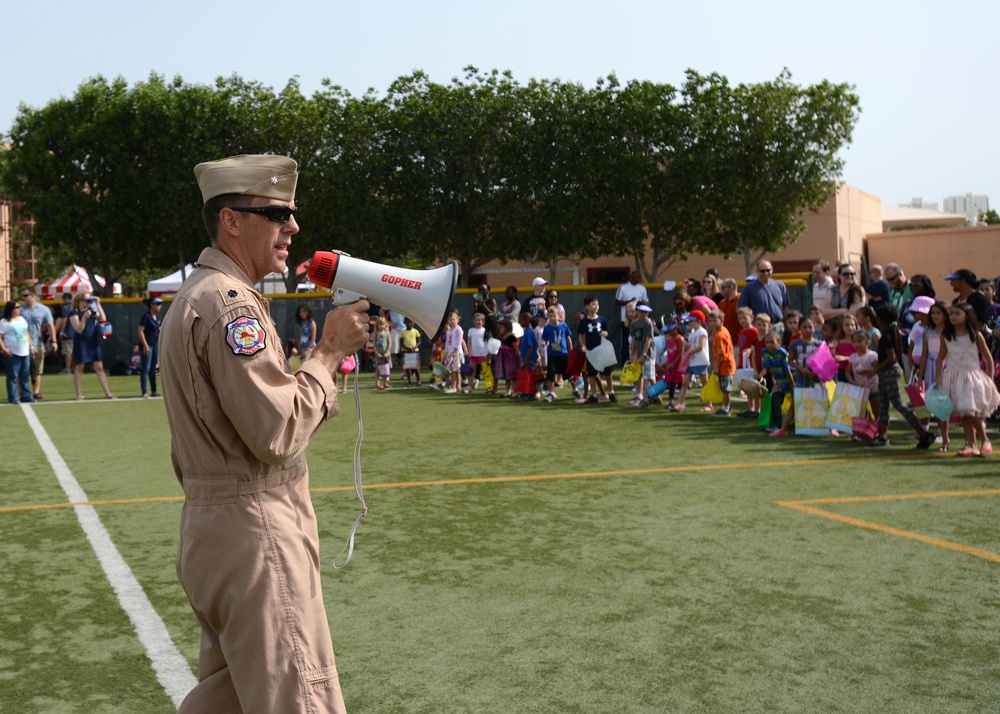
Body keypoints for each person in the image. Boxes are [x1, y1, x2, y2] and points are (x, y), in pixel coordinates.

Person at [160, 154, 371, 713]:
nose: (293, 228)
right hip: (256, 528)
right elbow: (276, 433)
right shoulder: (232, 307)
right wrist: (328, 353)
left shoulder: (199, 295)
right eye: (278, 213)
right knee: (299, 697)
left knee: (228, 699)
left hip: (217, 530)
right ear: (232, 220)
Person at [935, 302, 1000, 456]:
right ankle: (970, 445)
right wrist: (938, 376)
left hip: (971, 377)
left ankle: (985, 439)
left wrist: (989, 379)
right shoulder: (946, 335)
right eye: (951, 314)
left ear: (967, 316)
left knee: (970, 412)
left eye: (957, 314)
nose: (953, 317)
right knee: (963, 412)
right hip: (953, 377)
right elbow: (941, 358)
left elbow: (988, 358)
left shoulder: (975, 335)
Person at [869, 305, 937, 449]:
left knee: (898, 404)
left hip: (888, 372)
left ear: (880, 319)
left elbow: (891, 357)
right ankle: (883, 436)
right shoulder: (892, 333)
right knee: (883, 405)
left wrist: (876, 369)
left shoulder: (886, 336)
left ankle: (923, 434)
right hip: (887, 372)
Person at [69, 293, 115, 401]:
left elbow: (103, 319)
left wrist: (98, 304)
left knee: (99, 367)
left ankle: (108, 393)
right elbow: (79, 329)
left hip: (93, 342)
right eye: (87, 300)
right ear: (80, 301)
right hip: (81, 342)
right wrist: (84, 317)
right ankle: (79, 394)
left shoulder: (93, 311)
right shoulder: (74, 313)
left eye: (90, 300)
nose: (89, 303)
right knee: (79, 367)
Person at [20, 288, 56, 400]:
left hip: (37, 342)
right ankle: (21, 392)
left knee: (38, 368)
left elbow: (50, 325)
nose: (24, 298)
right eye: (23, 296)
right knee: (23, 368)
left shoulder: (43, 309)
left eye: (26, 295)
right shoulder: (21, 310)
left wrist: (53, 340)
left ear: (33, 295)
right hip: (22, 343)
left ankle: (36, 391)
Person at [578, 296, 615, 403]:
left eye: (597, 304)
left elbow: (606, 332)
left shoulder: (602, 319)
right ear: (587, 306)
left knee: (608, 371)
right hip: (591, 350)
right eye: (593, 304)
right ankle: (593, 395)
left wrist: (604, 333)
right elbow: (580, 334)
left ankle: (611, 392)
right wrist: (582, 344)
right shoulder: (584, 321)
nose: (596, 306)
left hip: (603, 349)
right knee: (592, 373)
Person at [671, 310, 710, 412]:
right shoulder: (692, 333)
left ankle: (709, 404)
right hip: (692, 361)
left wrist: (689, 352)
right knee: (685, 383)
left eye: (692, 321)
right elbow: (689, 346)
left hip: (700, 361)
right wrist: (682, 340)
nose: (689, 323)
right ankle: (680, 404)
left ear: (699, 321)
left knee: (705, 383)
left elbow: (700, 347)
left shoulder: (702, 332)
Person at [0, 300, 33, 404]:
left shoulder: (22, 319)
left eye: (20, 307)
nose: (20, 309)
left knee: (24, 374)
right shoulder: (4, 322)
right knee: (13, 376)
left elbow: (26, 333)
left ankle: (26, 396)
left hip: (24, 352)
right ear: (11, 309)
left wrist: (31, 347)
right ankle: (13, 397)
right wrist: (4, 349)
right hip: (12, 353)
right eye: (17, 307)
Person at [706, 309, 735, 416]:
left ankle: (726, 409)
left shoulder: (720, 335)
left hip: (725, 366)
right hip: (726, 364)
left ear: (722, 320)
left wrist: (716, 367)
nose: (712, 323)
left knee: (726, 389)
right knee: (724, 388)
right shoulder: (721, 331)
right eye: (710, 321)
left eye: (714, 321)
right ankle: (725, 407)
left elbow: (720, 353)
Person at [541, 305, 574, 402]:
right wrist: (544, 342)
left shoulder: (563, 325)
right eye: (550, 316)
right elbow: (545, 339)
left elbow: (568, 338)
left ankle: (575, 389)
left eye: (554, 316)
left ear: (558, 316)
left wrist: (570, 350)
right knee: (551, 373)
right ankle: (551, 392)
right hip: (552, 355)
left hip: (563, 354)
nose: (552, 318)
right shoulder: (547, 328)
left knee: (568, 373)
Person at [615, 270, 648, 362]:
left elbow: (646, 301)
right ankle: (625, 358)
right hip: (626, 319)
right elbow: (617, 301)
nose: (638, 279)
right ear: (631, 277)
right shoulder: (623, 287)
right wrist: (628, 301)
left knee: (638, 338)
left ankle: (638, 357)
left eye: (639, 277)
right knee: (626, 340)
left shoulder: (642, 288)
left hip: (639, 319)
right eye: (636, 277)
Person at [629, 301, 656, 407]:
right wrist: (633, 353)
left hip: (648, 354)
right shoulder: (634, 323)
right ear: (637, 311)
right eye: (641, 311)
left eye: (645, 312)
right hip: (639, 353)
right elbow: (634, 339)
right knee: (650, 376)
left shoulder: (648, 323)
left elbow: (648, 340)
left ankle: (645, 399)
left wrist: (644, 355)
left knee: (647, 377)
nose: (643, 313)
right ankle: (657, 397)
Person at [138, 297, 163, 399]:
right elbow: (140, 331)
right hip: (148, 345)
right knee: (146, 368)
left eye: (159, 304)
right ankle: (144, 392)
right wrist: (145, 345)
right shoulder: (146, 316)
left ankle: (154, 390)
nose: (159, 306)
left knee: (153, 369)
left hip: (155, 344)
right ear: (152, 305)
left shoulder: (157, 317)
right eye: (157, 304)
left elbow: (157, 330)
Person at [464, 311, 488, 392]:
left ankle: (489, 387)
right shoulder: (471, 330)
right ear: (473, 321)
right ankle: (469, 386)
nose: (478, 322)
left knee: (485, 372)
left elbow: (486, 343)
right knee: (471, 371)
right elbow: (469, 342)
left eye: (480, 320)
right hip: (473, 355)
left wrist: (486, 354)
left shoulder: (485, 331)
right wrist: (469, 351)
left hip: (483, 355)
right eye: (476, 320)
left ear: (483, 322)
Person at [55, 292, 75, 374]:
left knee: (68, 352)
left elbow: (64, 320)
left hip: (68, 332)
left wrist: (62, 330)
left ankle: (68, 368)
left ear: (66, 299)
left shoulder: (66, 307)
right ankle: (73, 368)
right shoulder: (76, 306)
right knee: (73, 352)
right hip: (76, 332)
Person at [400, 317, 422, 386]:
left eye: (410, 322)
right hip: (406, 352)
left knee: (416, 367)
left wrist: (415, 347)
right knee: (408, 368)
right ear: (405, 322)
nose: (409, 324)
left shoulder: (416, 331)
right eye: (407, 322)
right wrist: (406, 348)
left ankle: (419, 381)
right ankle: (410, 382)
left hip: (414, 352)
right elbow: (401, 343)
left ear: (413, 323)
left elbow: (419, 341)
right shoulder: (403, 332)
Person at [373, 315, 392, 390]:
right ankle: (378, 383)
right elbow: (374, 344)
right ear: (377, 325)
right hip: (378, 353)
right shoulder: (375, 333)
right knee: (378, 369)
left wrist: (387, 352)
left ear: (385, 325)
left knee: (386, 369)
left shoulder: (387, 333)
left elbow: (390, 343)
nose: (381, 326)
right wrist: (377, 353)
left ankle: (385, 383)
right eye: (379, 324)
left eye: (382, 324)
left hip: (385, 353)